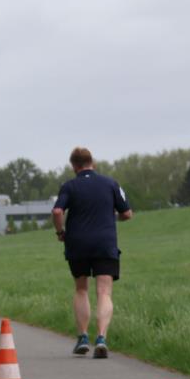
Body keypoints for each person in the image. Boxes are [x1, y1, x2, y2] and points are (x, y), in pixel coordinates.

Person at [51, 147, 132, 359]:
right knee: (104, 292)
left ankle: (83, 337)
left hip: (77, 243)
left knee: (81, 289)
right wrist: (114, 216)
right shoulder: (110, 183)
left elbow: (58, 211)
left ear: (74, 166)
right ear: (91, 162)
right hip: (105, 243)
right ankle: (102, 338)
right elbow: (127, 213)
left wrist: (60, 232)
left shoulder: (69, 186)